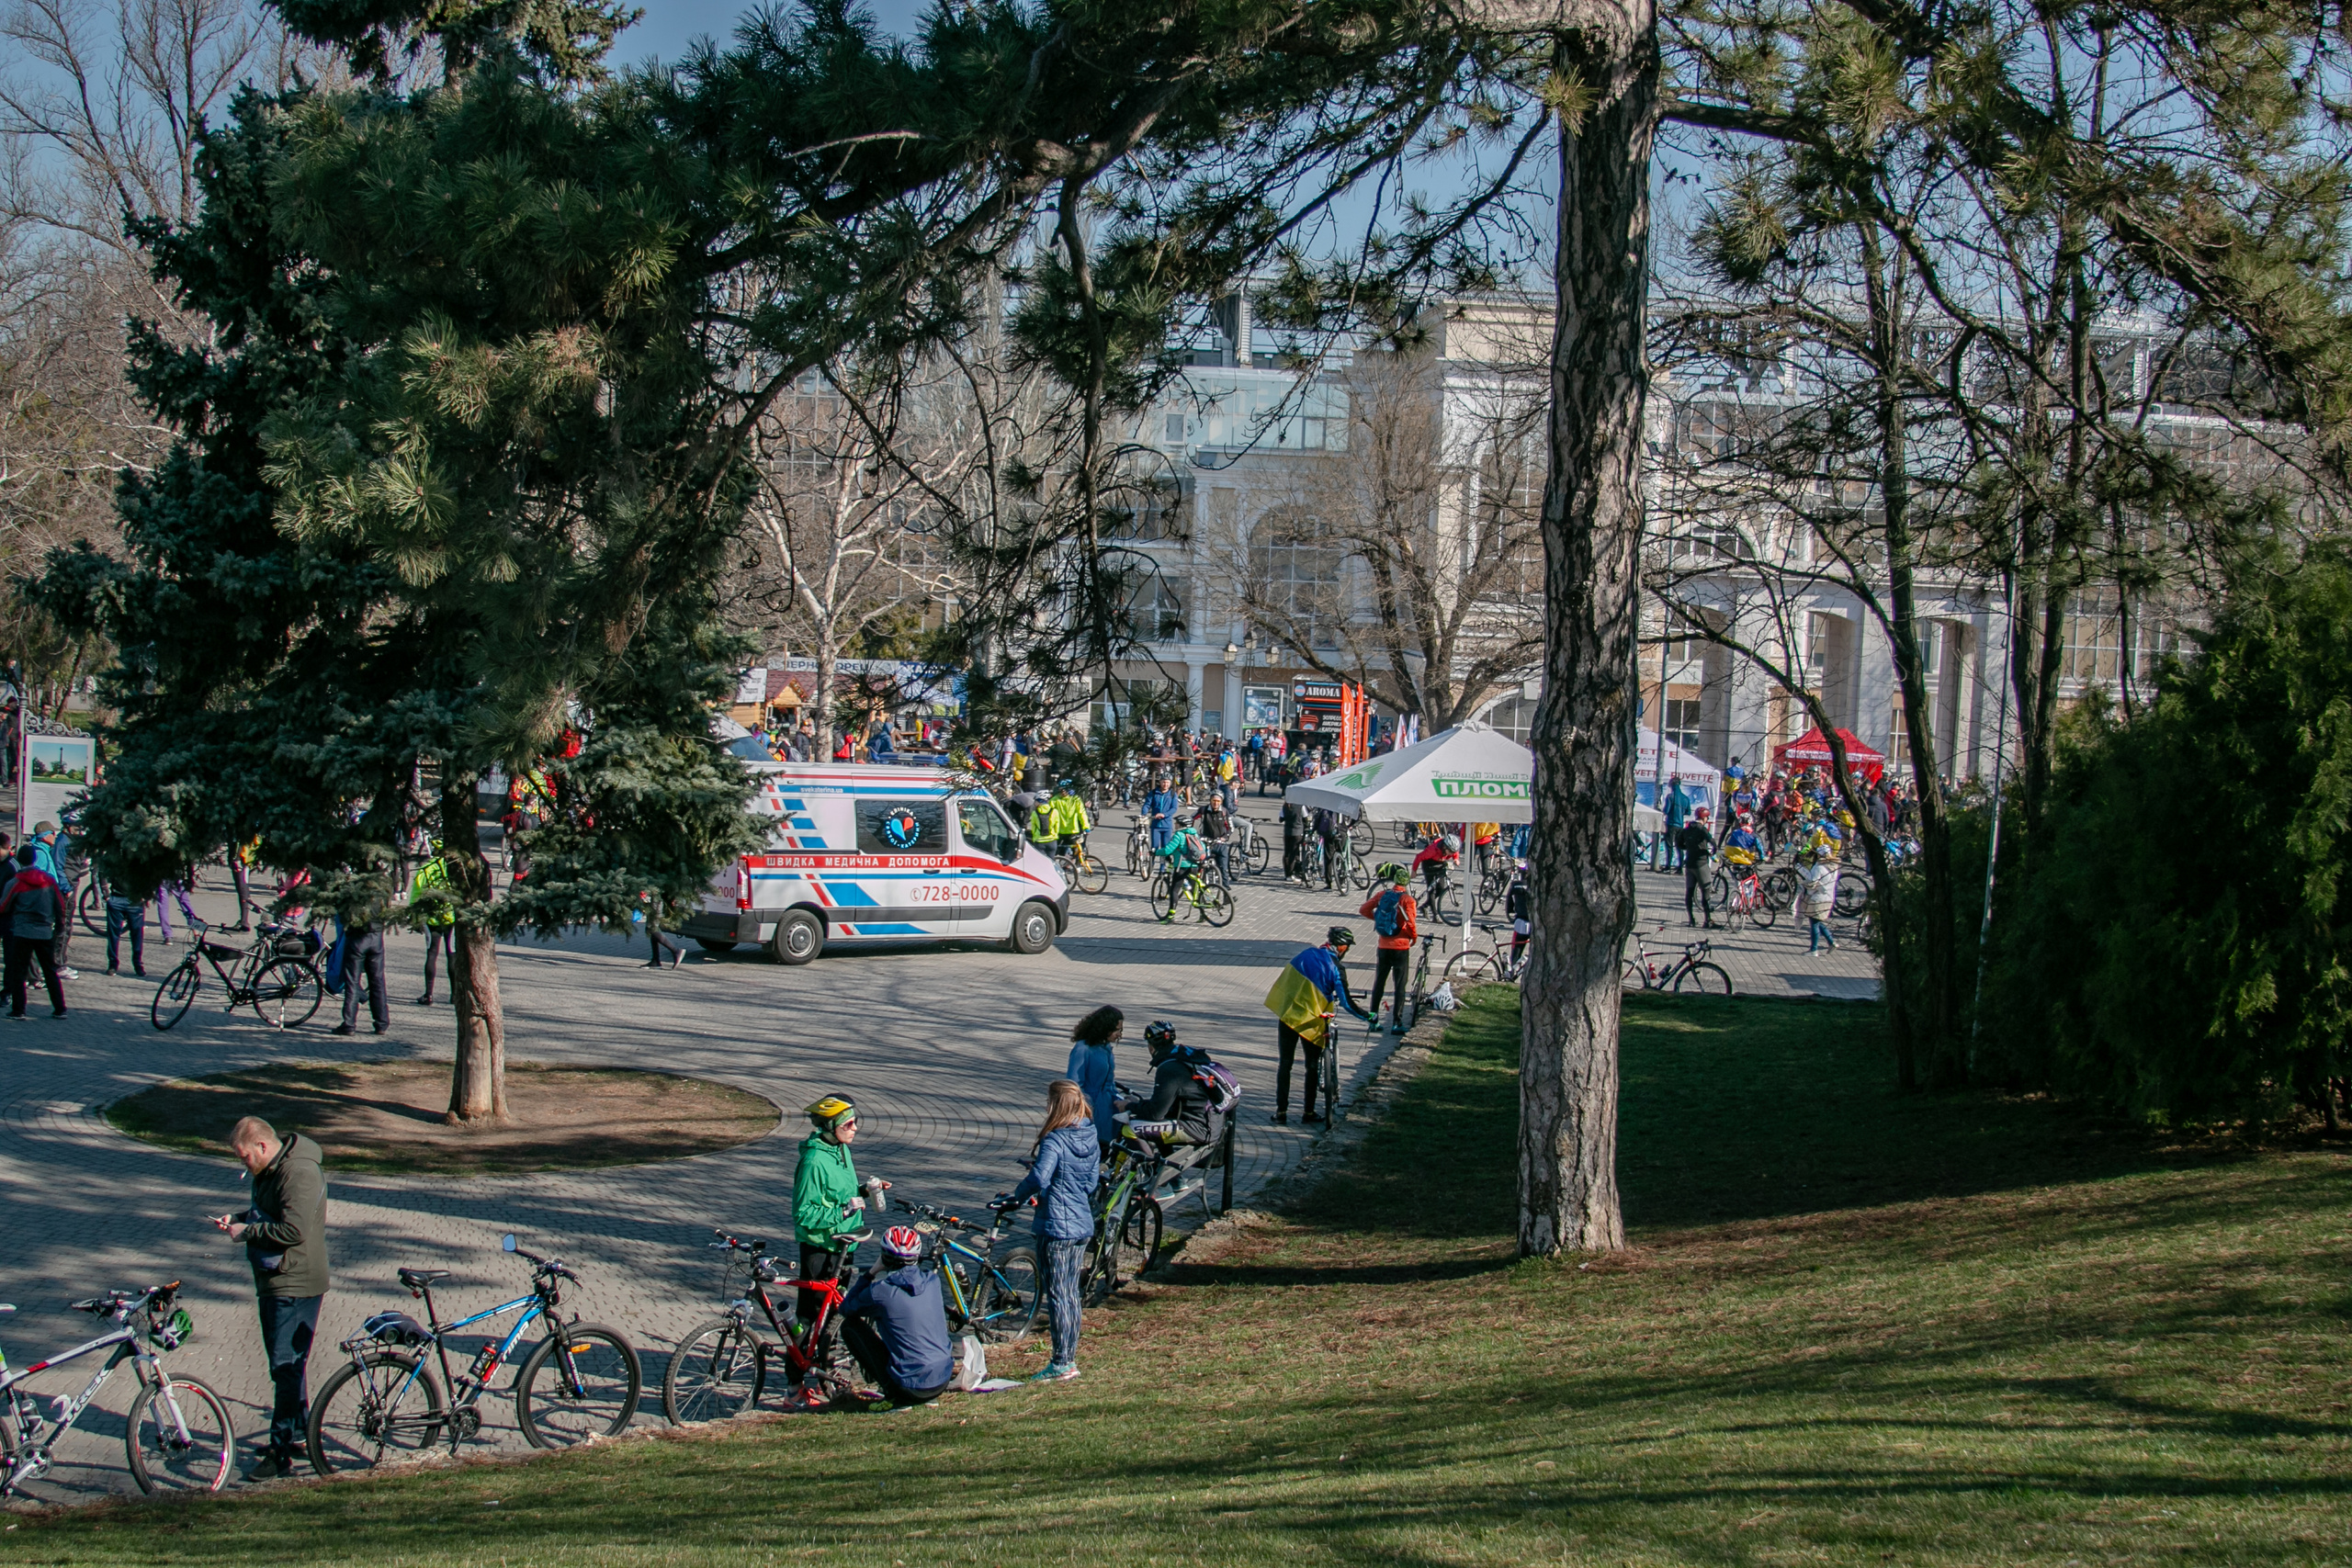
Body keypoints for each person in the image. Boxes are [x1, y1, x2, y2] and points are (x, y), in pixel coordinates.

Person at [212, 1116, 329, 1479]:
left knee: (285, 1367)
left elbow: (293, 1229)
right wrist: (240, 1218)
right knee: (291, 1367)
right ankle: (300, 1434)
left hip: (295, 1281)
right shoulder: (271, 1170)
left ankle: (281, 1453)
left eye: (244, 1156)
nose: (242, 1163)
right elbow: (271, 1214)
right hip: (275, 1280)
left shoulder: (299, 1173)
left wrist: (247, 1232)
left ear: (262, 1146)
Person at [994, 1078, 1100, 1383]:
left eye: (1048, 1103)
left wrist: (1017, 1194)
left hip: (1056, 1226)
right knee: (1071, 1295)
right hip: (1081, 1224)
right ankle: (1069, 1357)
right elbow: (1091, 1182)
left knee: (1058, 1295)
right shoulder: (1090, 1134)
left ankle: (1061, 1362)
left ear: (1057, 1106)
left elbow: (1040, 1177)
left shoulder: (1055, 1140)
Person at [792, 1096, 880, 1350]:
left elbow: (841, 1193)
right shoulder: (813, 1162)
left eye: (856, 1122)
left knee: (832, 1316)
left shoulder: (841, 1149)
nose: (855, 1129)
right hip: (820, 1249)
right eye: (849, 1124)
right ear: (830, 1127)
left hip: (844, 1247)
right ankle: (795, 1383)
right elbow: (803, 1213)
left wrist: (865, 1190)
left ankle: (823, 1369)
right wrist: (843, 1212)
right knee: (809, 1319)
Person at [1261, 928, 1373, 1123]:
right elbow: (1346, 1003)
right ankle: (1309, 1113)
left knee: (1285, 1064)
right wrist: (1367, 1016)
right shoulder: (1337, 968)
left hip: (1288, 1015)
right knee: (1311, 1067)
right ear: (1343, 947)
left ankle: (1281, 1113)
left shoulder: (1306, 954)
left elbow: (1287, 978)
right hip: (1312, 1022)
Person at [838, 1226, 956, 1407]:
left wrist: (871, 1272)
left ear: (884, 1256)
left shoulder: (880, 1291)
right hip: (942, 1379)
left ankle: (892, 1394)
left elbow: (846, 1308)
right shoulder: (932, 1281)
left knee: (849, 1326)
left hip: (911, 1388)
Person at [0, 843, 66, 1018]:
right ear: (35, 859)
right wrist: (59, 925)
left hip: (22, 931)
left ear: (19, 860)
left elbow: (3, 906)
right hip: (44, 931)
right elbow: (60, 905)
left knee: (18, 971)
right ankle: (60, 1008)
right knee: (50, 971)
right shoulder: (49, 881)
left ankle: (19, 1009)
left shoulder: (16, 882)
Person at [1359, 864, 1418, 1033]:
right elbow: (1411, 923)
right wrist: (1413, 937)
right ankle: (1397, 1023)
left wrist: (1377, 918)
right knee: (1399, 985)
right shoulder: (1408, 900)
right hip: (1401, 947)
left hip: (1383, 945)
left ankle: (1373, 1021)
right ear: (1406, 882)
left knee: (1379, 983)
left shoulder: (1382, 894)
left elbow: (1363, 909)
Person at [1065, 1005, 1122, 1149]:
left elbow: (1109, 1082)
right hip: (1090, 1108)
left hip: (1107, 1107)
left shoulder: (1106, 1048)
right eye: (1117, 1029)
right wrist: (1085, 1108)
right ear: (1105, 1028)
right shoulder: (1083, 1049)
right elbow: (1074, 1084)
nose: (1119, 1034)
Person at [28, 821, 76, 978]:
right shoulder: (41, 854)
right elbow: (41, 877)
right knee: (44, 934)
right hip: (42, 900)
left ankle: (40, 970)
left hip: (47, 898)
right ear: (45, 836)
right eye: (52, 833)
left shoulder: (45, 850)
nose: (55, 836)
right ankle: (37, 973)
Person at [411, 843, 457, 1004]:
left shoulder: (427, 868)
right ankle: (455, 994)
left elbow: (416, 892)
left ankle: (428, 994)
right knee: (451, 953)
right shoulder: (452, 867)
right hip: (450, 917)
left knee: (432, 953)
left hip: (431, 917)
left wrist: (415, 916)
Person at [334, 908, 388, 1035]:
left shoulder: (354, 890)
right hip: (376, 936)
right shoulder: (381, 891)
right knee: (377, 981)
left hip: (357, 937)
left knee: (352, 981)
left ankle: (349, 1023)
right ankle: (381, 1023)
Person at [1678, 806, 1718, 929]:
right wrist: (1712, 851)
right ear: (1705, 818)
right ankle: (1707, 920)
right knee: (1705, 891)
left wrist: (1688, 848)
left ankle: (1691, 919)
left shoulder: (1687, 829)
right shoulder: (1702, 829)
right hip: (1701, 864)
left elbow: (1679, 843)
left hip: (1689, 863)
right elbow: (1713, 842)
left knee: (1689, 892)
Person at [103, 879, 146, 977]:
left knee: (137, 932)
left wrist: (146, 895)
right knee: (113, 933)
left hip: (135, 899)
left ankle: (137, 963)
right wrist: (106, 893)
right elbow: (102, 871)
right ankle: (112, 964)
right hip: (116, 898)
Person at [1797, 855, 1840, 953]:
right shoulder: (1835, 868)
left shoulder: (1819, 868)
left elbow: (1813, 883)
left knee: (1814, 923)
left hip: (1817, 899)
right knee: (1817, 921)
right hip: (1829, 898)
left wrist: (1804, 884)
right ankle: (1831, 942)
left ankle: (1814, 949)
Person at [1047, 779, 1092, 862]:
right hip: (1059, 831)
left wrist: (1086, 827)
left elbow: (1082, 814)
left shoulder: (1075, 800)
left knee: (1077, 850)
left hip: (1072, 831)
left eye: (1063, 790)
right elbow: (1047, 811)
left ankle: (1075, 864)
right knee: (1059, 852)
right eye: (1060, 790)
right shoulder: (1055, 799)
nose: (1061, 792)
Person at [1194, 795, 1234, 887]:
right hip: (1206, 844)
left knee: (1223, 869)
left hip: (1221, 844)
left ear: (1221, 802)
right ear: (1210, 801)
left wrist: (1225, 837)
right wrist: (1196, 836)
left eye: (1218, 801)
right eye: (1213, 800)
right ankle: (1201, 890)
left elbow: (1231, 828)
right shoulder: (1203, 810)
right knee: (1204, 867)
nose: (1215, 803)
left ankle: (1226, 893)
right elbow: (1191, 820)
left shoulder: (1224, 812)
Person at [1143, 774, 1181, 855]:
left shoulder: (1172, 794)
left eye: (1167, 782)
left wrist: (1164, 814)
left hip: (1167, 825)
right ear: (1160, 782)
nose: (1165, 784)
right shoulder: (1153, 793)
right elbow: (1147, 805)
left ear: (1170, 783)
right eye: (1163, 782)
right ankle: (1151, 866)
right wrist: (1143, 814)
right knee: (1154, 848)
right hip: (1155, 825)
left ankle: (1162, 867)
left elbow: (1174, 808)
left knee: (1165, 849)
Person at [1658, 777, 1690, 871]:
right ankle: (1680, 867)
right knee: (1679, 846)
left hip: (1671, 824)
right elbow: (1688, 812)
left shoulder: (1670, 797)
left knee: (1669, 846)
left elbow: (1666, 811)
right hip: (1680, 825)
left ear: (1672, 785)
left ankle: (1668, 866)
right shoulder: (1685, 798)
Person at [1313, 807, 1347, 890]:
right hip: (1342, 833)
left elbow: (1317, 821)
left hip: (1329, 834)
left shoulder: (1325, 807)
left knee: (1328, 858)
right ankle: (1341, 881)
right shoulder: (1343, 808)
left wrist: (1314, 830)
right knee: (1341, 856)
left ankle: (1329, 884)